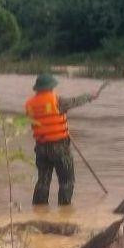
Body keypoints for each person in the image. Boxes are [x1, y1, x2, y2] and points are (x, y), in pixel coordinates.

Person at [23, 73, 102, 206]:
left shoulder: (29, 105)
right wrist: (90, 96)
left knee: (43, 180)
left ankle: (39, 209)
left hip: (41, 147)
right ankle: (64, 210)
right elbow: (76, 101)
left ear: (37, 88)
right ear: (50, 87)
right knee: (67, 181)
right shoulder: (58, 101)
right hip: (59, 147)